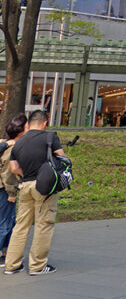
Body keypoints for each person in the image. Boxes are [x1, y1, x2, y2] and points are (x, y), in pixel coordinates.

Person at [4, 110, 67, 276]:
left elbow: (13, 168)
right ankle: (37, 265)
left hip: (25, 186)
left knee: (21, 226)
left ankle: (12, 265)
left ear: (29, 124)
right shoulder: (50, 138)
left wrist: (27, 175)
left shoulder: (19, 142)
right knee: (43, 224)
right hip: (44, 187)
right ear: (45, 123)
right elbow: (63, 159)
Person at [0, 113, 27, 265]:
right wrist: (12, 193)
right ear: (21, 131)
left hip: (4, 188)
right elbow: (8, 173)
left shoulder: (5, 144)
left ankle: (6, 253)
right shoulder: (12, 148)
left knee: (6, 222)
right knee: (5, 222)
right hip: (5, 189)